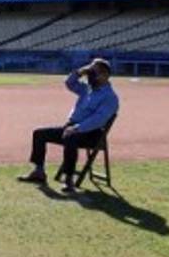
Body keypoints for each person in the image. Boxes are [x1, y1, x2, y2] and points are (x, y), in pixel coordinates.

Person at [17, 57, 119, 192]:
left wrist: (77, 128)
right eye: (90, 72)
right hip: (71, 127)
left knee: (70, 138)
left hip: (91, 133)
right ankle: (39, 171)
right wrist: (80, 72)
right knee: (39, 134)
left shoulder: (110, 97)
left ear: (105, 75)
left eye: (93, 73)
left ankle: (69, 179)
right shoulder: (87, 89)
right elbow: (69, 83)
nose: (90, 76)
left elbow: (98, 120)